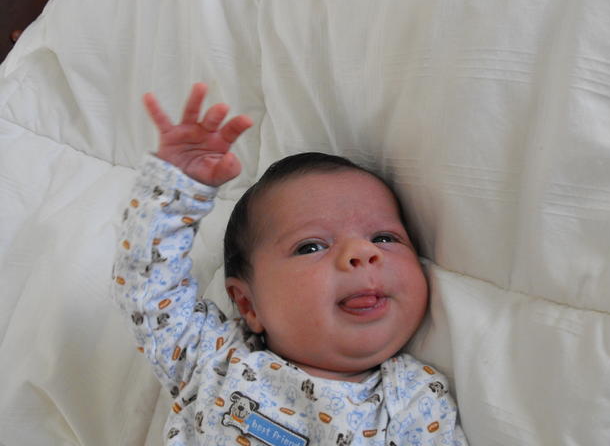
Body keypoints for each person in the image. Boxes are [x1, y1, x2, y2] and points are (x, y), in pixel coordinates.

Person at [112, 83, 467, 445]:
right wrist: (176, 189)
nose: (361, 252)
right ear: (248, 304)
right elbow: (148, 290)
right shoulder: (213, 356)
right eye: (311, 246)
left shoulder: (416, 401)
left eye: (384, 238)